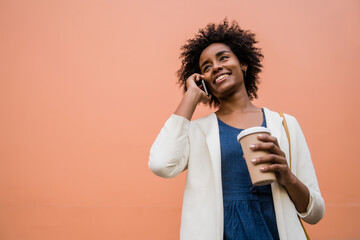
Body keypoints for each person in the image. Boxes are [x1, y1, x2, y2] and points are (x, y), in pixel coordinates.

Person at [149, 19, 324, 240]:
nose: (216, 67)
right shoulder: (197, 132)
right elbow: (161, 163)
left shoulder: (285, 125)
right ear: (204, 82)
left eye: (223, 58)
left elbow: (315, 213)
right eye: (206, 67)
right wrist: (191, 96)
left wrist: (288, 177)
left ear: (243, 63)